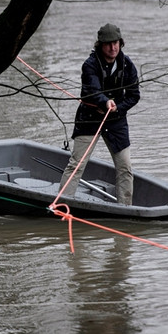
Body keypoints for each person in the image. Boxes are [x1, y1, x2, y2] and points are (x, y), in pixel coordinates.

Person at [59, 23, 140, 204]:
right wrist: (105, 101)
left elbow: (134, 96)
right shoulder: (90, 65)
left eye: (116, 43)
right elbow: (92, 90)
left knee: (125, 168)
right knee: (76, 164)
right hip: (89, 118)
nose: (113, 47)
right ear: (100, 45)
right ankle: (62, 204)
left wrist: (118, 106)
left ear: (121, 43)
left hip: (116, 120)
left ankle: (125, 208)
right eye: (108, 44)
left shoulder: (128, 65)